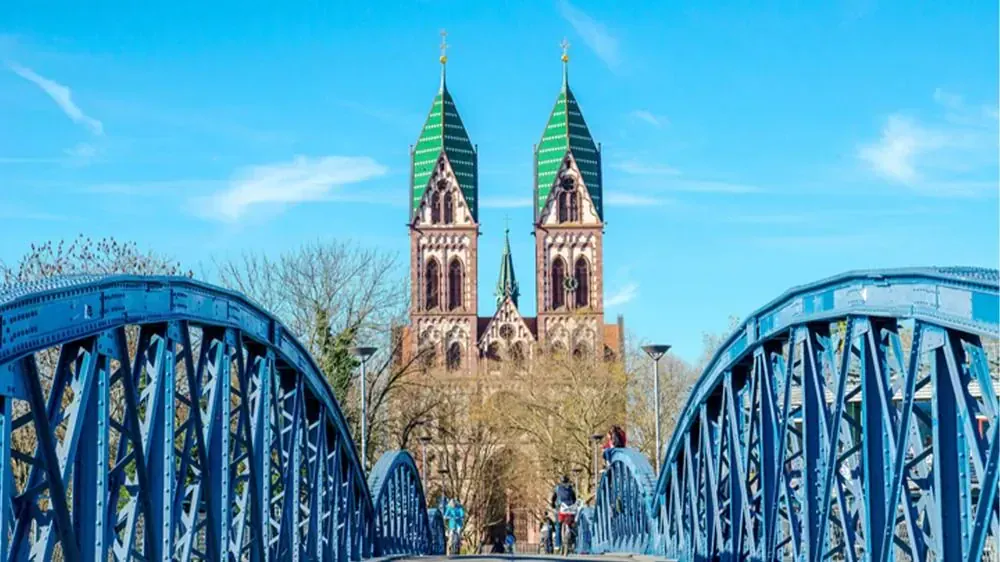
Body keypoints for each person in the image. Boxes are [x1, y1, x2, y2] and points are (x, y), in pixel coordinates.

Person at [550, 475, 577, 550]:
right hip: (570, 508)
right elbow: (574, 499)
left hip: (561, 508)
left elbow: (553, 497)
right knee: (572, 525)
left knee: (558, 526)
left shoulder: (557, 488)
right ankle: (573, 543)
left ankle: (558, 545)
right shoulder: (571, 488)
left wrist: (552, 504)